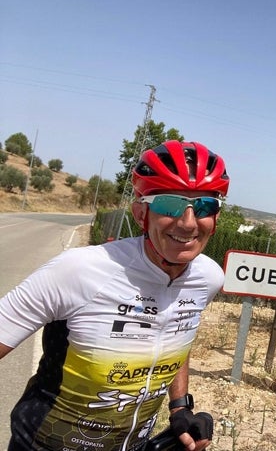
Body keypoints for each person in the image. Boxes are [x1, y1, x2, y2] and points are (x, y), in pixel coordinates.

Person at [0, 140, 230, 450]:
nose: (188, 223)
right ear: (140, 212)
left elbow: (179, 329)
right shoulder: (80, 270)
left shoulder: (209, 278)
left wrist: (179, 407)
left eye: (204, 205)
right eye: (169, 205)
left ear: (215, 219)